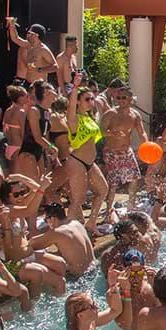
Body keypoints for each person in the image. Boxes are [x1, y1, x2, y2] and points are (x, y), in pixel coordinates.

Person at [64, 76, 108, 234]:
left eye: (92, 99)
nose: (91, 102)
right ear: (78, 101)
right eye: (87, 99)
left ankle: (91, 223)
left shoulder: (89, 117)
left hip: (89, 162)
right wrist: (75, 87)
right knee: (77, 200)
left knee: (103, 189)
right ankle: (66, 233)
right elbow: (70, 108)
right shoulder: (74, 119)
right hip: (77, 162)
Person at [62, 267, 129, 330]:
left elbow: (115, 310)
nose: (97, 307)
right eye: (91, 306)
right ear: (80, 315)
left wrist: (113, 286)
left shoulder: (90, 325)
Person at [99, 86, 146, 210]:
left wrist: (146, 145)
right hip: (112, 152)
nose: (120, 100)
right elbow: (101, 131)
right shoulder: (110, 114)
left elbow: (142, 133)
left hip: (127, 151)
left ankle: (131, 205)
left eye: (123, 98)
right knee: (113, 182)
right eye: (118, 98)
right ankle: (109, 209)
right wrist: (112, 133)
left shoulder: (135, 115)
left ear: (130, 99)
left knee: (135, 178)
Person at [31, 203, 93, 277]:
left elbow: (32, 245)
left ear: (52, 219)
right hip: (93, 269)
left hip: (78, 278)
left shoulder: (58, 232)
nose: (47, 223)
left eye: (45, 220)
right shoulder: (76, 223)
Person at [6, 20, 56, 85]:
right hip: (27, 83)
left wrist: (39, 70)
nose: (27, 35)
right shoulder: (28, 45)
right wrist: (12, 25)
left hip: (39, 85)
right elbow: (15, 38)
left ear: (36, 35)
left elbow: (55, 67)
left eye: (30, 33)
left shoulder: (43, 50)